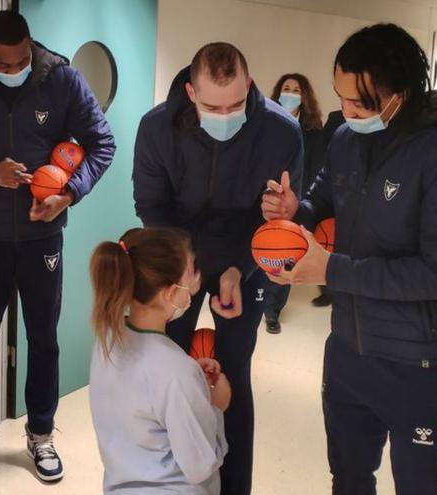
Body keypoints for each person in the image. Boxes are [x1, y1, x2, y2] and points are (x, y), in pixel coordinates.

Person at [262, 24, 437, 494]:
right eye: (341, 98)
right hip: (349, 346)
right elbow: (322, 200)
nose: (346, 112)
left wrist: (332, 269)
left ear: (400, 93)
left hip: (420, 361)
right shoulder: (348, 140)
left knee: (419, 485)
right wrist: (295, 211)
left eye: (360, 103)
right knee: (348, 477)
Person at [0, 10, 115, 486]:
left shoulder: (63, 80)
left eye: (22, 63)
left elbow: (102, 144)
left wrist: (68, 193)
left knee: (44, 338)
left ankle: (40, 432)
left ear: (31, 48)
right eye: (4, 64)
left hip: (42, 238)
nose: (14, 71)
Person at [133, 42, 303, 494]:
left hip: (243, 264)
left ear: (249, 86)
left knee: (233, 377)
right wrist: (186, 271)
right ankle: (168, 481)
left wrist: (242, 267)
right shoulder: (156, 127)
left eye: (235, 104)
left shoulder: (282, 132)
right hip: (179, 261)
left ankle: (234, 487)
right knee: (168, 374)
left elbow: (285, 219)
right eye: (212, 106)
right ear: (190, 92)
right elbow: (150, 206)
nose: (225, 115)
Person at [88, 227, 230, 494]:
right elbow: (199, 465)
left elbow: (142, 395)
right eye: (191, 274)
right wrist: (217, 408)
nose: (196, 280)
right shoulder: (176, 371)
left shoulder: (106, 340)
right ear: (169, 292)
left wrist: (191, 383)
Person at [264, 73, 332, 333]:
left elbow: (317, 169)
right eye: (286, 88)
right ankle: (259, 299)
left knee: (286, 254)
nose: (290, 93)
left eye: (296, 89)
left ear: (305, 97)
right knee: (265, 250)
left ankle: (272, 311)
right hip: (270, 196)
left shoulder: (314, 131)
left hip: (298, 200)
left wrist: (304, 203)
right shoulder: (268, 124)